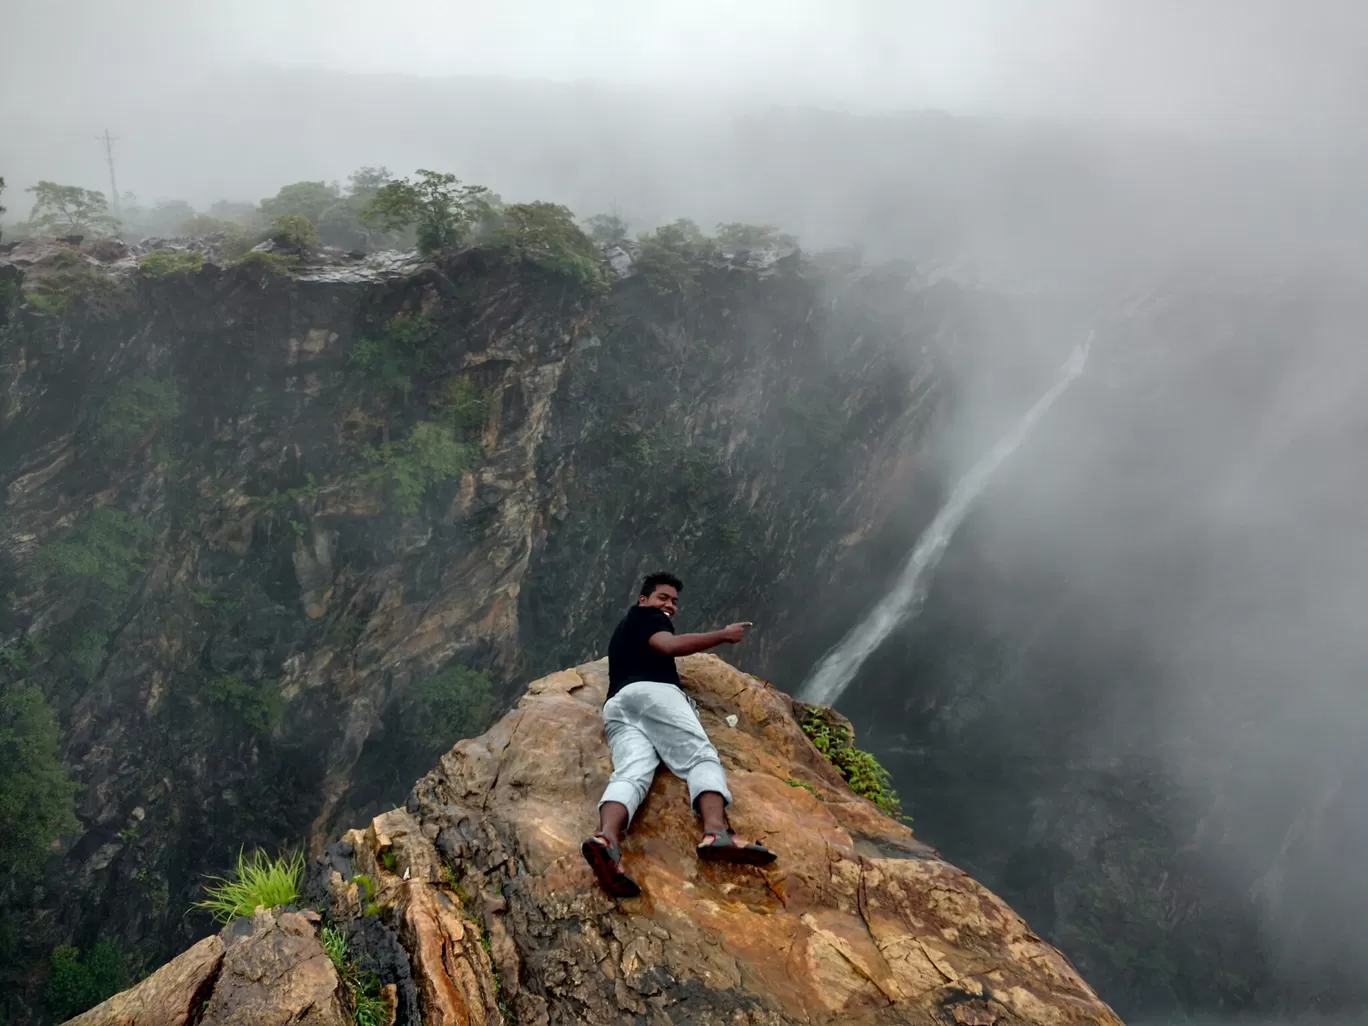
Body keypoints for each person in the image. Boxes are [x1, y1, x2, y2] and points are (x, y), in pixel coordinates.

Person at [582, 571, 778, 897]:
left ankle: (607, 840)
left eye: (674, 601)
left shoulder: (623, 631)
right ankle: (716, 832)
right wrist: (723, 635)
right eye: (663, 598)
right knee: (699, 756)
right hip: (653, 694)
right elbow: (669, 645)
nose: (670, 606)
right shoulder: (646, 617)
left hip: (618, 707)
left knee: (632, 771)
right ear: (643, 599)